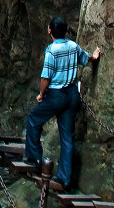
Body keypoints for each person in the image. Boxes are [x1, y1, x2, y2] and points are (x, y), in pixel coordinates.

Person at [24, 16, 101, 192]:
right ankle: (65, 179)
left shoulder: (51, 50)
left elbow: (46, 77)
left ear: (50, 30)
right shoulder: (73, 46)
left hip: (56, 95)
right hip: (72, 94)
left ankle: (35, 158)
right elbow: (85, 58)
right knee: (67, 137)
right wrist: (94, 56)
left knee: (34, 120)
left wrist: (41, 94)